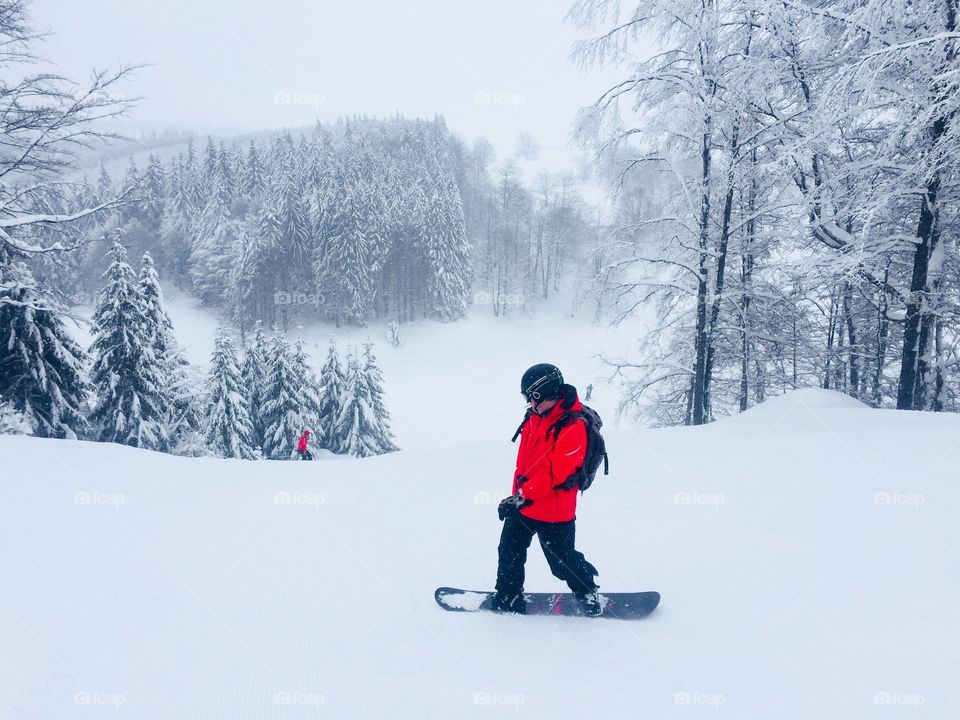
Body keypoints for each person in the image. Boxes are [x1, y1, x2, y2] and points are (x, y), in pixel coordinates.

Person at [492, 363, 602, 616]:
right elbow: (526, 464)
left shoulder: (572, 427)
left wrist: (520, 497)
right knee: (509, 549)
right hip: (526, 504)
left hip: (555, 511)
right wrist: (516, 497)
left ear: (543, 393)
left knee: (561, 563)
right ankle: (508, 596)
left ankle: (587, 592)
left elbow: (553, 474)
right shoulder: (534, 417)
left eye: (531, 398)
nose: (529, 404)